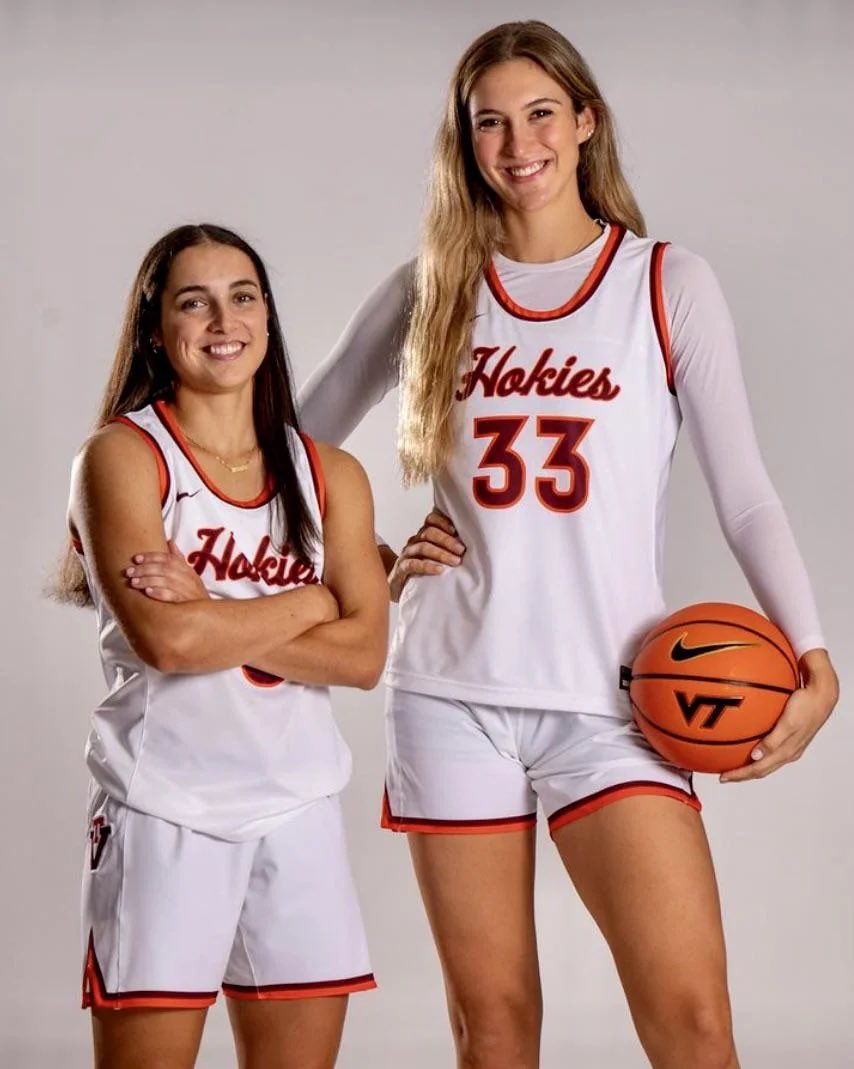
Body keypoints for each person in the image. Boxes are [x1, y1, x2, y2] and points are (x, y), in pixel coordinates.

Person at [296, 20, 839, 1069]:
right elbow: (288, 455)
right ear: (464, 141)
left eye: (540, 113)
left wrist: (812, 657)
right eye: (489, 123)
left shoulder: (664, 283)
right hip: (450, 693)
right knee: (493, 1027)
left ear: (586, 121)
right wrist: (369, 562)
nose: (517, 144)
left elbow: (744, 498)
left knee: (692, 1023)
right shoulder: (428, 289)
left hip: (617, 696)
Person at [54, 223, 389, 1069]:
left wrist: (216, 611)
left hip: (299, 809)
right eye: (193, 302)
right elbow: (169, 640)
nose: (222, 321)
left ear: (266, 316)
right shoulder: (122, 457)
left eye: (242, 297)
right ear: (154, 329)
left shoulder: (331, 474)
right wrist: (316, 599)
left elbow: (362, 657)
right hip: (164, 807)